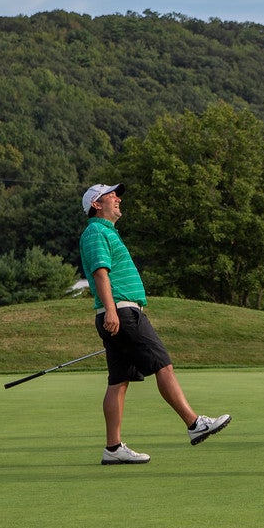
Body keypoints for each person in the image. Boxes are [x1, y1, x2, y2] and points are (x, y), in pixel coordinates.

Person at [80, 183, 231, 465]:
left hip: (119, 312)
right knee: (163, 365)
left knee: (118, 381)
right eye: (111, 196)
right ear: (96, 205)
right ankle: (194, 424)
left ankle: (113, 449)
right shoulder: (96, 232)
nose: (118, 198)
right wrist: (112, 311)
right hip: (122, 312)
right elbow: (101, 273)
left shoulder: (106, 232)